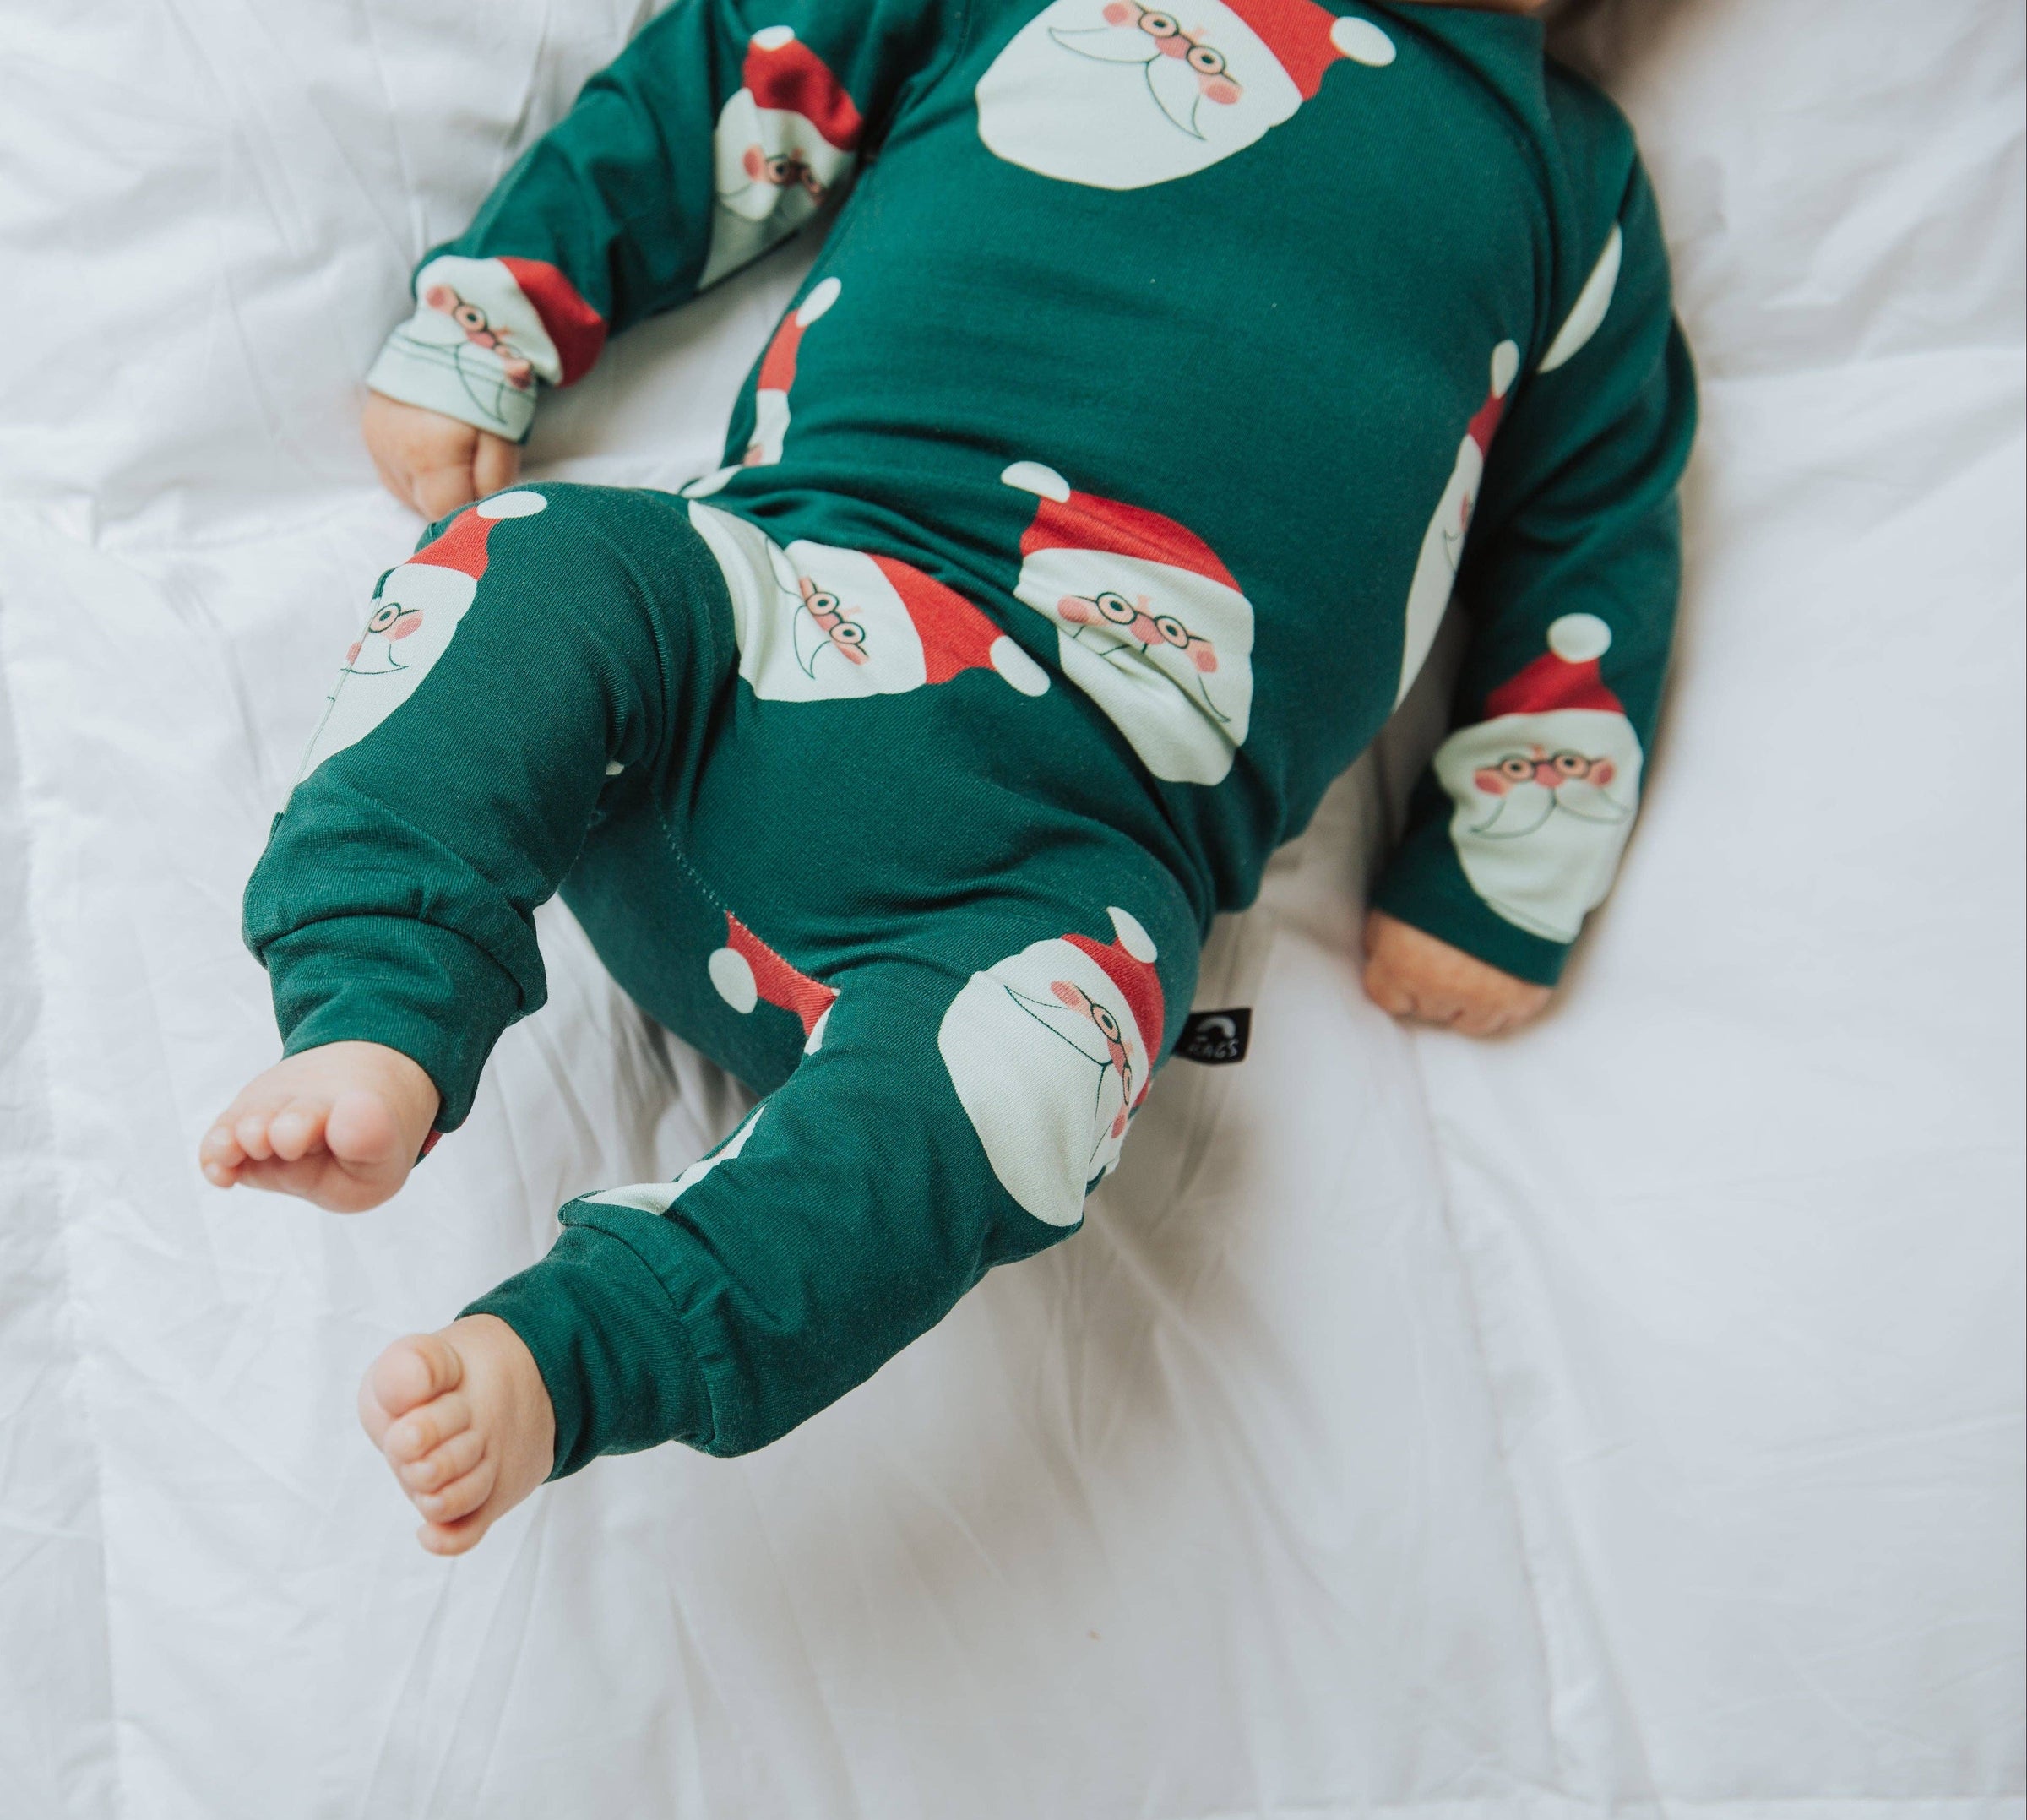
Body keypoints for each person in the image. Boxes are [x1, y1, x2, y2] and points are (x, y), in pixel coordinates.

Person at [198, 0, 1695, 1552]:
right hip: (780, 622)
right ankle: (381, 1004)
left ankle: (582, 1354)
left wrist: (1508, 864)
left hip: (1057, 872)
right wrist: (502, 305)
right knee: (541, 559)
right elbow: (751, 73)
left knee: (1053, 1086)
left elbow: (1595, 534)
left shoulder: (1568, 181)